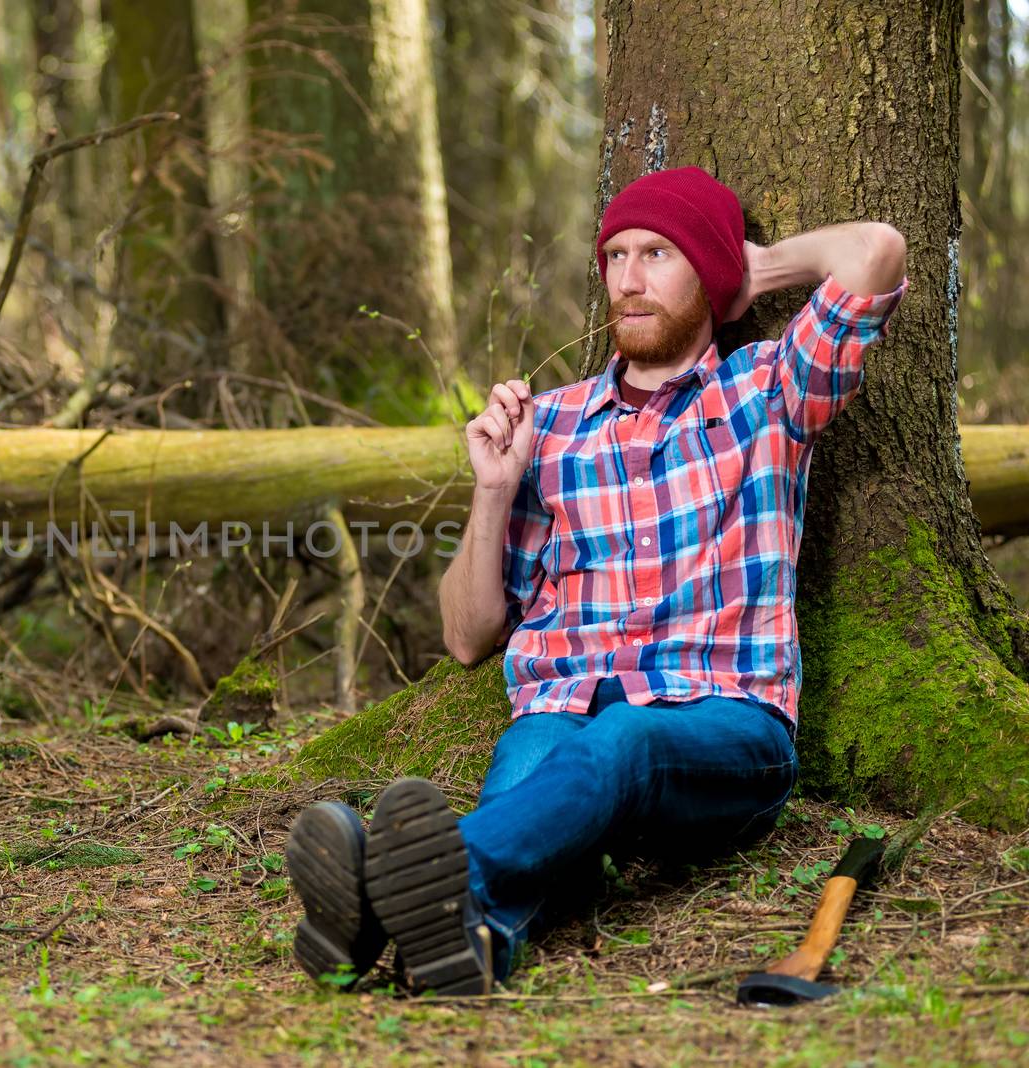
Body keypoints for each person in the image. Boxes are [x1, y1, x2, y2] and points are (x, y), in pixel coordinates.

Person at [285, 165, 909, 995]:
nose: (628, 279)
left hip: (724, 732)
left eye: (657, 253)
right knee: (537, 756)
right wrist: (494, 487)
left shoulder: (768, 390)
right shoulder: (549, 425)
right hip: (562, 711)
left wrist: (751, 268)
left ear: (707, 272)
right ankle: (466, 942)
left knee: (623, 739)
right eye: (614, 256)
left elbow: (877, 251)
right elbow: (468, 636)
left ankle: (371, 899)